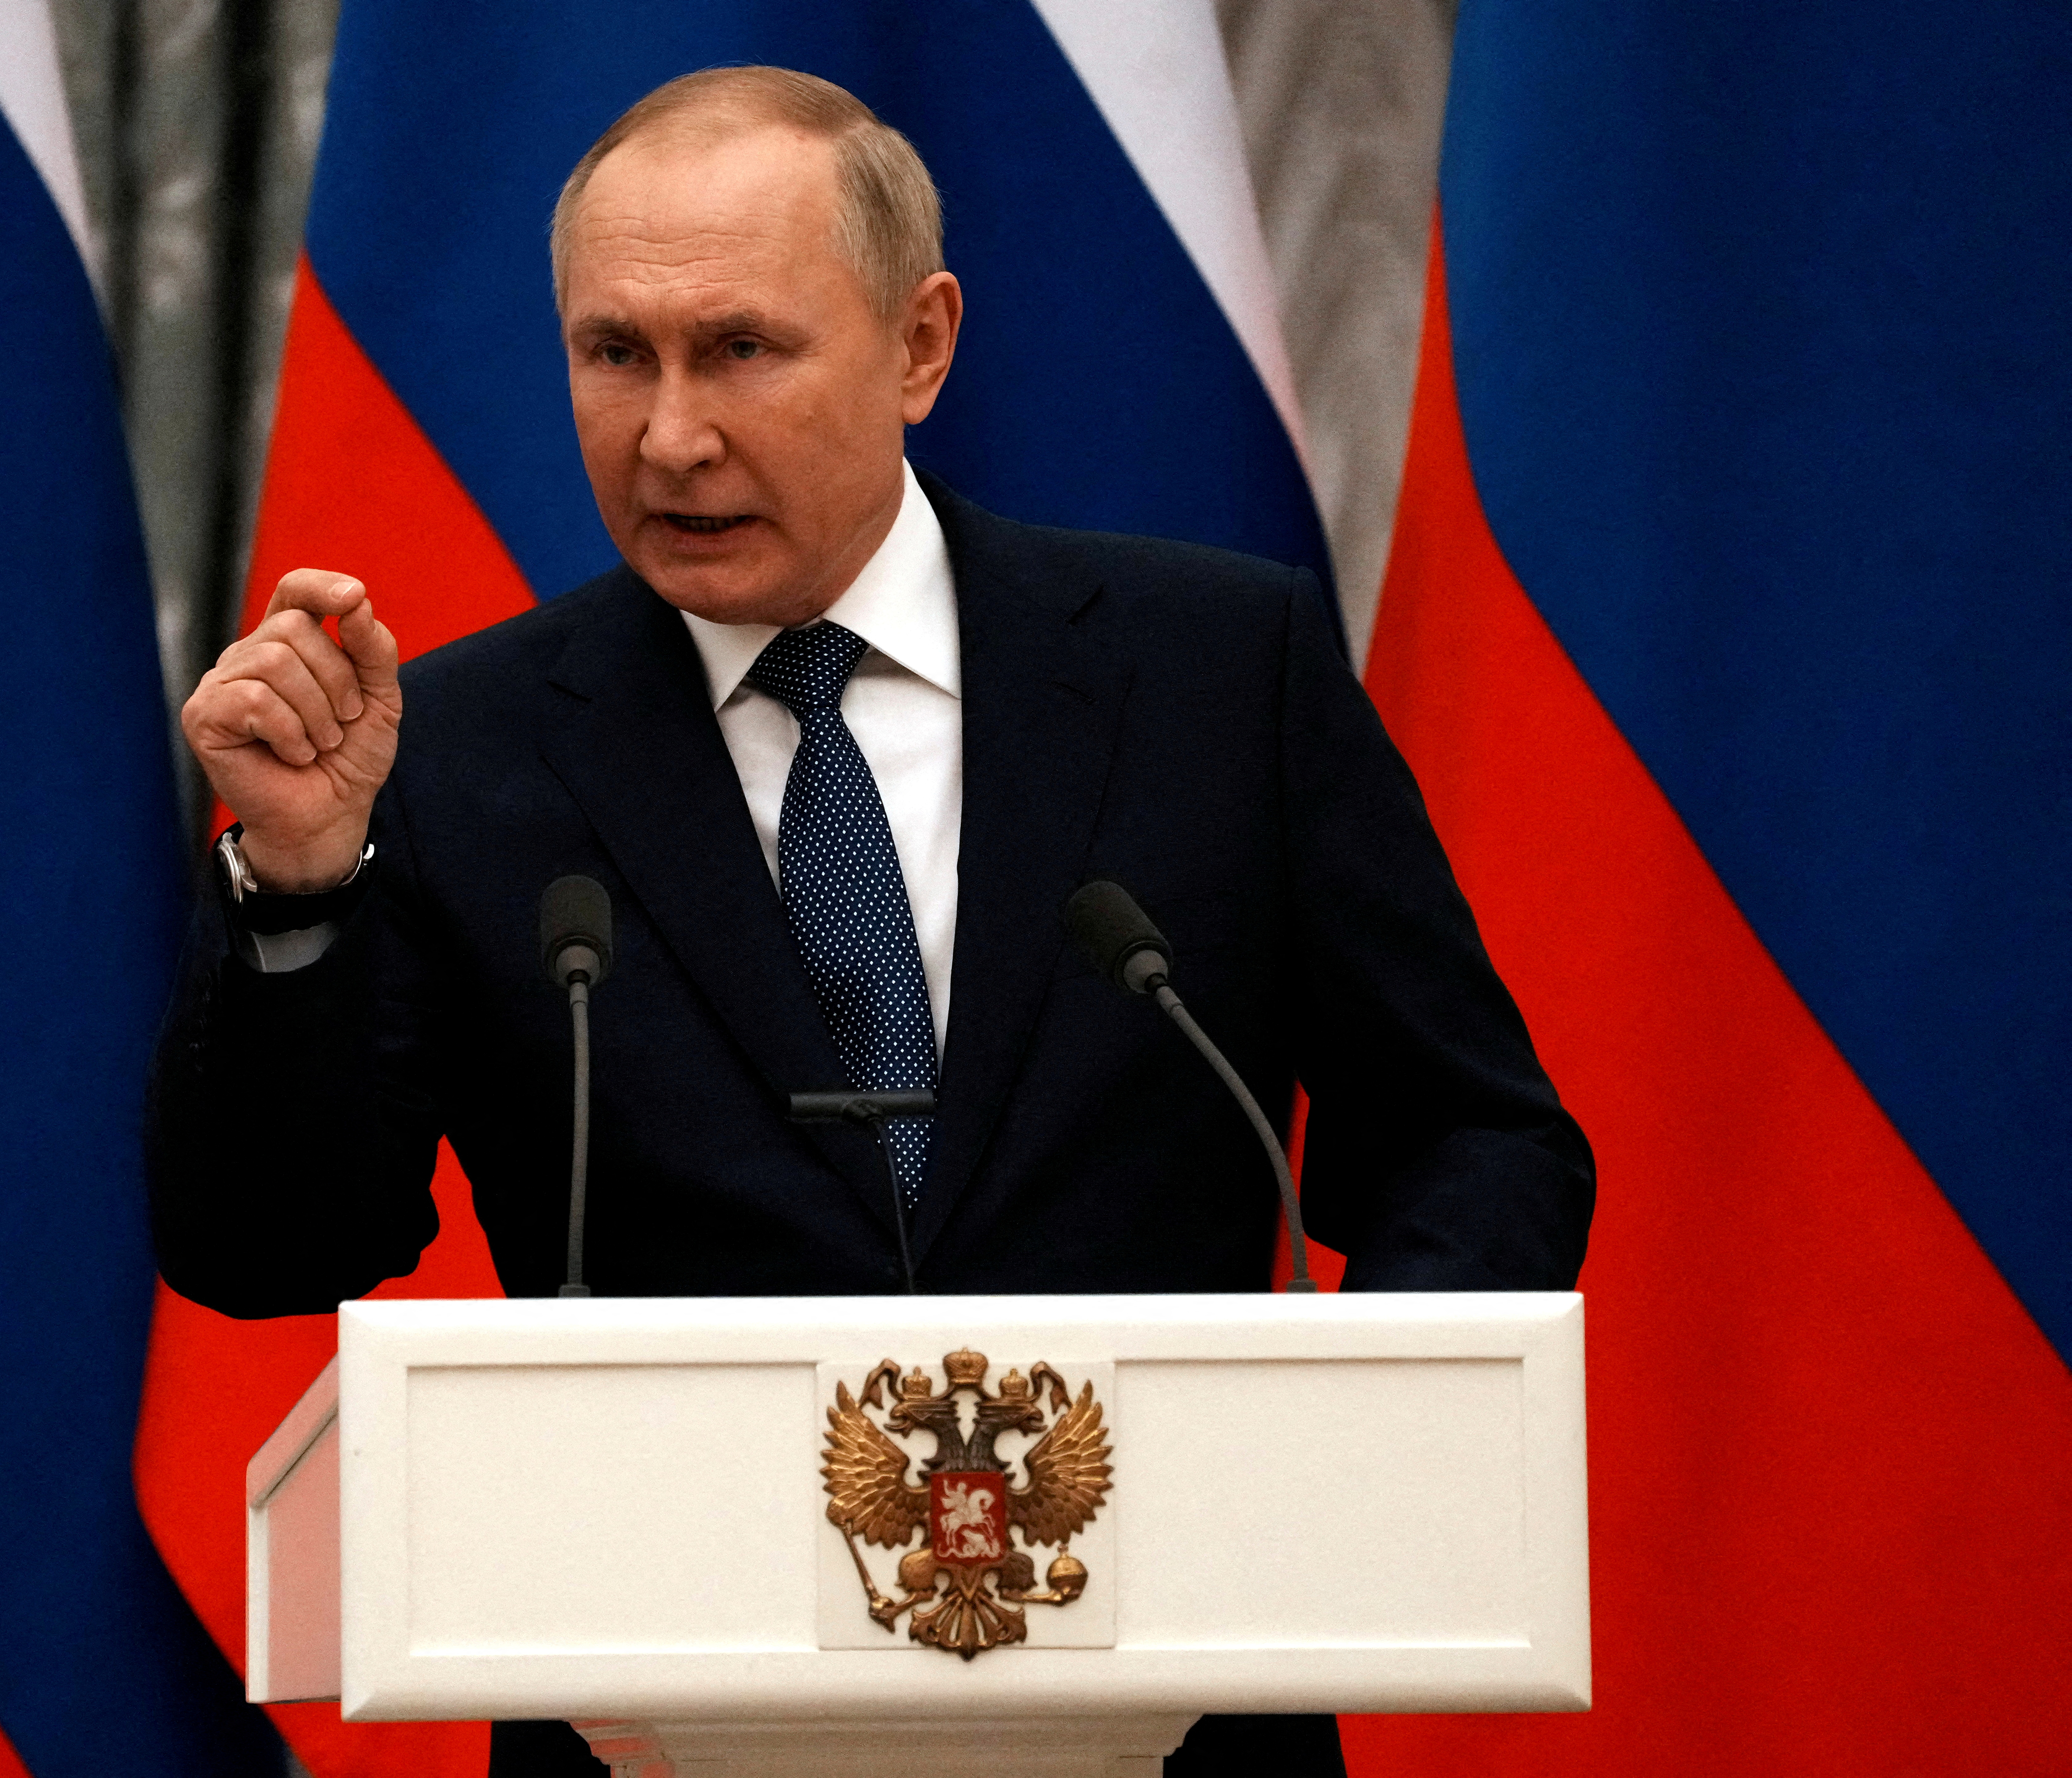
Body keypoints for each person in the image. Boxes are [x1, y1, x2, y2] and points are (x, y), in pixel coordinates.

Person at [150, 66, 1592, 1778]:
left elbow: (1476, 1139)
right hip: (656, 1724)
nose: (670, 431)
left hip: (1178, 1718)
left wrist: (1307, 1468)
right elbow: (269, 1248)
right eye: (616, 353)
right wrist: (304, 880)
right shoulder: (461, 750)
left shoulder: (1216, 672)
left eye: (740, 348)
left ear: (921, 343)